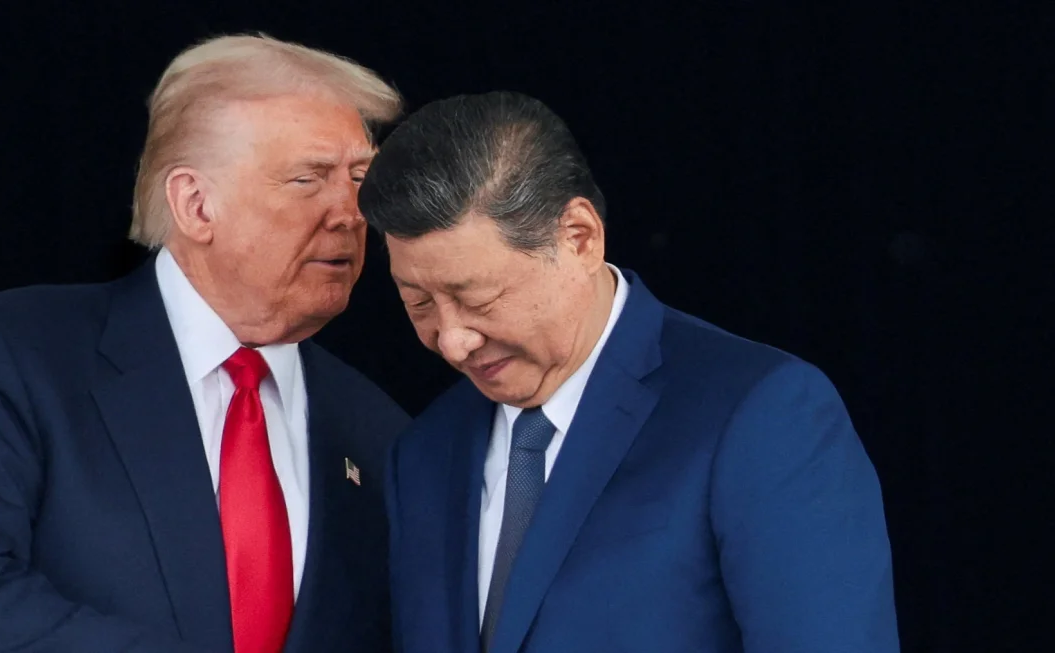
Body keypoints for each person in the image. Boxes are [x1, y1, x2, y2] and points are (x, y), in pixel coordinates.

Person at [359, 91, 901, 653]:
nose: (451, 341)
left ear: (579, 238)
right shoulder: (423, 453)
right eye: (418, 303)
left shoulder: (760, 413)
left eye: (479, 298)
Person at [0, 34, 408, 653]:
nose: (350, 212)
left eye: (359, 179)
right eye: (307, 178)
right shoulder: (9, 357)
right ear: (195, 204)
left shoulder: (382, 435)